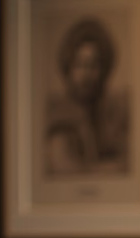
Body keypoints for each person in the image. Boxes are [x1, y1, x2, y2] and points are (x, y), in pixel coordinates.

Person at [43, 17, 130, 175]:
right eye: (79, 65)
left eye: (93, 65)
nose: (86, 74)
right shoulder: (59, 116)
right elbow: (66, 169)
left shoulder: (110, 112)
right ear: (68, 68)